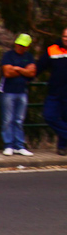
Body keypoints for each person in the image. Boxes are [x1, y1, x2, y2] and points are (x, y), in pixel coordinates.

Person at [0, 34, 36, 156]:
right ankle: (8, 145)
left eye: (23, 46)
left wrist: (18, 69)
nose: (20, 47)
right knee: (8, 120)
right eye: (19, 45)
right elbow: (7, 73)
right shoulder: (8, 55)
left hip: (22, 91)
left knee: (19, 120)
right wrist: (24, 70)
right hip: (8, 91)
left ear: (27, 47)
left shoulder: (29, 57)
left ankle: (19, 145)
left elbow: (32, 73)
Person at [36, 28, 67, 156]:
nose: (66, 39)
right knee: (49, 116)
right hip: (55, 92)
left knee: (65, 119)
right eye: (65, 36)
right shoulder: (52, 49)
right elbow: (39, 66)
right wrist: (26, 78)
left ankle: (62, 147)